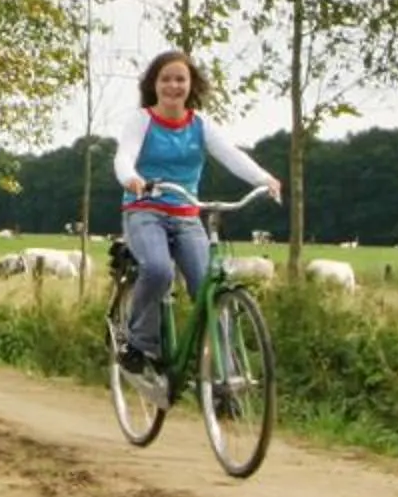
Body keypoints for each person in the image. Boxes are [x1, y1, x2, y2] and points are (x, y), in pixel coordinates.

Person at [114, 48, 281, 390]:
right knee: (158, 270)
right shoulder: (142, 120)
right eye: (166, 79)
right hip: (145, 211)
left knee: (209, 287)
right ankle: (139, 342)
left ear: (191, 85)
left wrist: (265, 180)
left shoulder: (200, 124)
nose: (173, 86)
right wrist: (131, 177)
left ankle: (225, 376)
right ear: (154, 85)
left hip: (187, 215)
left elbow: (231, 156)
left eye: (180, 79)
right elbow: (124, 156)